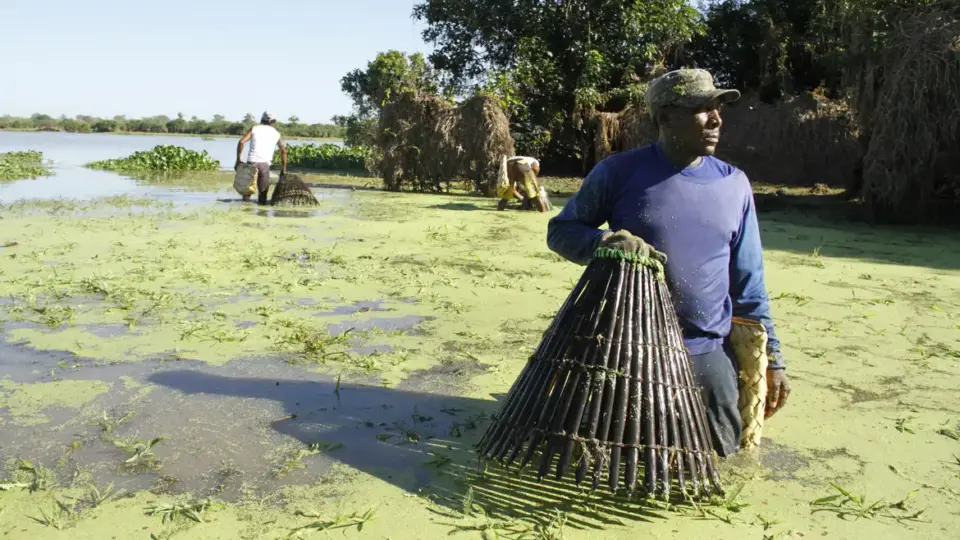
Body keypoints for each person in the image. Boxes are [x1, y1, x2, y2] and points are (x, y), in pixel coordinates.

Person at [546, 68, 791, 458]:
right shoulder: (618, 172)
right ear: (664, 117)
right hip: (627, 352)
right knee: (610, 460)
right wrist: (603, 242)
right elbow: (561, 230)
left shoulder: (734, 184)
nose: (715, 119)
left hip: (704, 352)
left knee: (720, 459)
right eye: (701, 108)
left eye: (717, 108)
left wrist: (773, 359)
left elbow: (748, 284)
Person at [236, 111, 287, 204]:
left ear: (262, 119)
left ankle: (244, 214)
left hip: (252, 163)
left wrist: (238, 160)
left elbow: (241, 142)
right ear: (273, 121)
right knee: (263, 196)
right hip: (265, 165)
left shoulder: (254, 129)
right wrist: (283, 168)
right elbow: (283, 150)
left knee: (246, 195)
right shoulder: (276, 133)